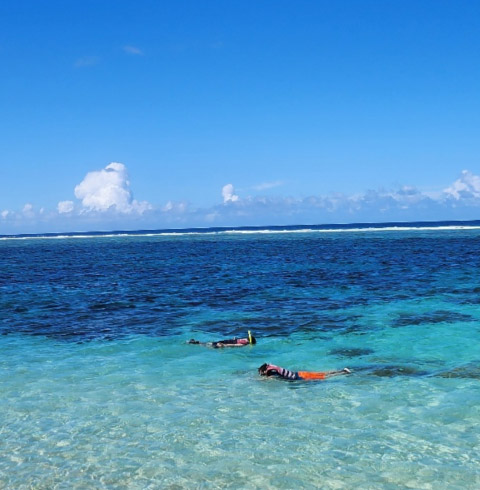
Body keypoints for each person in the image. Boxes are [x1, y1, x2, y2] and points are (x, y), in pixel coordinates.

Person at [258, 363, 351, 380]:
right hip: (299, 373)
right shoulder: (273, 367)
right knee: (323, 373)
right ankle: (342, 370)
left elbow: (268, 377)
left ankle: (343, 372)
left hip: (301, 377)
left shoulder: (273, 372)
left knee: (324, 377)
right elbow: (268, 366)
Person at [187, 331, 256, 348]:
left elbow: (234, 344)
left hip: (224, 343)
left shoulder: (243, 343)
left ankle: (196, 342)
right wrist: (224, 345)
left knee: (210, 345)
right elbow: (235, 343)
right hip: (224, 342)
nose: (246, 338)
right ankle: (196, 342)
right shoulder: (244, 342)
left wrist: (224, 345)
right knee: (210, 344)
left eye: (248, 338)